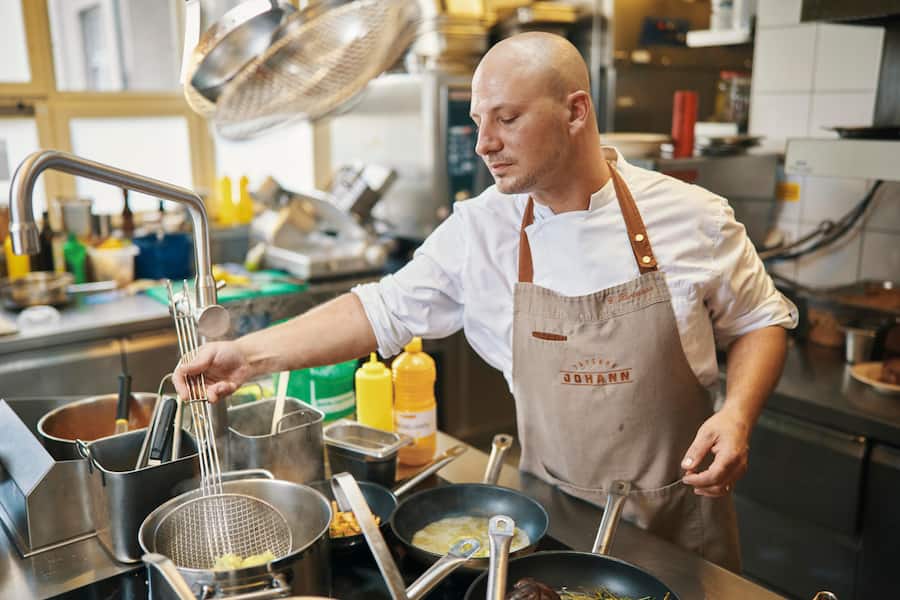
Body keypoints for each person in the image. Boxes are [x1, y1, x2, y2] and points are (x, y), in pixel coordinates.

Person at [175, 32, 796, 571]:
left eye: (507, 118)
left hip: (681, 528)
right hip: (552, 525)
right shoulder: (482, 230)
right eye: (478, 122)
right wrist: (247, 357)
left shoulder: (692, 218)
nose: (483, 144)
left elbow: (762, 321)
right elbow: (378, 309)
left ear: (576, 111)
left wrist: (737, 415)